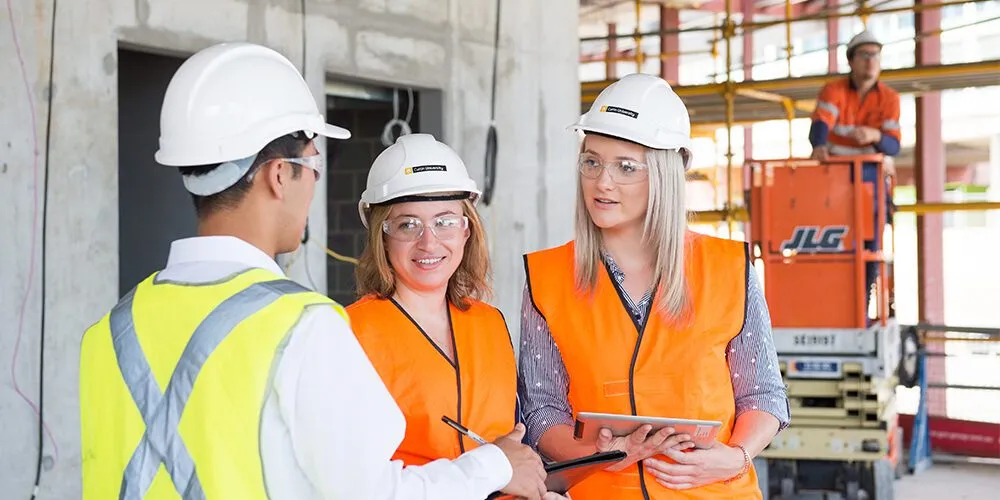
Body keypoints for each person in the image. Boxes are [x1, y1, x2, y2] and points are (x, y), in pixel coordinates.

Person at [79, 42, 545, 500]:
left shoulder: (109, 333)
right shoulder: (301, 325)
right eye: (314, 166)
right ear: (280, 174)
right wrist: (495, 465)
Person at [517, 73, 791, 499]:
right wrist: (596, 456)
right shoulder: (547, 278)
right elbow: (541, 408)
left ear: (666, 172)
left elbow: (763, 394)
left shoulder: (728, 268)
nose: (602, 182)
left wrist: (737, 456)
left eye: (625, 167)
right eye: (592, 162)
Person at [346, 133, 565, 499]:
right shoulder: (351, 332)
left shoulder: (490, 323)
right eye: (407, 224)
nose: (429, 243)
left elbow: (517, 448)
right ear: (381, 237)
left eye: (445, 221)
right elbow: (352, 480)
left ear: (467, 229)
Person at [809, 30, 901, 320]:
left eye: (876, 55)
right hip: (837, 181)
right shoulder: (833, 91)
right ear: (851, 61)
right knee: (833, 246)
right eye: (865, 55)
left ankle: (860, 308)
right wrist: (819, 146)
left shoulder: (889, 98)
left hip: (871, 184)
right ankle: (829, 309)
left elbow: (893, 145)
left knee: (869, 248)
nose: (871, 61)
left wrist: (875, 134)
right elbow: (819, 126)